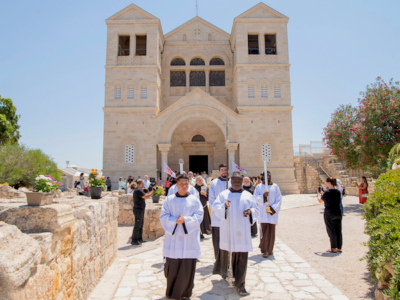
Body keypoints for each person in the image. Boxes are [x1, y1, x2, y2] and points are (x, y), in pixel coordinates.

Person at [212, 173, 259, 296]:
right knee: (228, 255)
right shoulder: (223, 195)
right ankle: (227, 274)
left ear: (242, 181)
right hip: (228, 230)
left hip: (242, 231)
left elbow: (255, 209)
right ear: (231, 181)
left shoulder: (248, 195)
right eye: (235, 181)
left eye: (239, 181)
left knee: (242, 256)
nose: (237, 183)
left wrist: (250, 212)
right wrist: (224, 207)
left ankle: (241, 283)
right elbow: (215, 207)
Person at [159, 174, 203, 300]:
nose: (184, 186)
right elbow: (163, 215)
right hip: (173, 238)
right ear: (176, 185)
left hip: (188, 238)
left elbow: (199, 215)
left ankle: (185, 293)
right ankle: (171, 291)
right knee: (173, 264)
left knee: (187, 265)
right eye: (181, 184)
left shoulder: (194, 200)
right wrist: (174, 221)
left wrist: (186, 220)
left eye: (186, 184)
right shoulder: (169, 199)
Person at [254, 171, 282, 258]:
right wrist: (263, 196)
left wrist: (273, 208)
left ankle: (270, 249)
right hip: (263, 212)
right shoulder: (259, 187)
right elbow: (254, 198)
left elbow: (279, 199)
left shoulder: (275, 187)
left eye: (269, 176)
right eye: (266, 176)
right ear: (262, 177)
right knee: (264, 231)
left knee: (271, 231)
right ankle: (265, 250)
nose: (268, 177)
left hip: (272, 213)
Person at [208, 164, 231, 259]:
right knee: (217, 238)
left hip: (229, 214)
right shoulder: (214, 183)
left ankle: (228, 258)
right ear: (219, 171)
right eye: (222, 170)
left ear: (228, 171)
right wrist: (220, 209)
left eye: (225, 169)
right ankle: (218, 258)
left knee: (228, 237)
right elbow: (212, 199)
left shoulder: (231, 183)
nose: (224, 171)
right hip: (217, 215)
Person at [318, 177, 343, 253]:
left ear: (328, 183)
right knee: (338, 230)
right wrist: (324, 194)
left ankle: (333, 248)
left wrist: (319, 195)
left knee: (331, 230)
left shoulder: (327, 193)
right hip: (338, 212)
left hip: (329, 212)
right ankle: (339, 247)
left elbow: (320, 201)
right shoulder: (338, 192)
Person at [131, 179, 154, 245]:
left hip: (140, 209)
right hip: (138, 210)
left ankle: (139, 239)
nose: (143, 185)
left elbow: (145, 195)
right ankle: (134, 240)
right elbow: (146, 197)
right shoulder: (137, 190)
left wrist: (150, 191)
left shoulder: (139, 190)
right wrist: (152, 192)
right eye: (143, 183)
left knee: (140, 224)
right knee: (137, 225)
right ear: (140, 184)